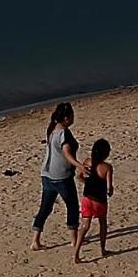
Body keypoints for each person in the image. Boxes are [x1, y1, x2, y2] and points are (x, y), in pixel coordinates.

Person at [30, 102, 79, 250]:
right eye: (71, 116)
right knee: (72, 206)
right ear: (66, 117)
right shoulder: (64, 132)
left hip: (47, 173)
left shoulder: (52, 129)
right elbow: (67, 154)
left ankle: (35, 240)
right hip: (61, 175)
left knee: (45, 207)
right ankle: (74, 240)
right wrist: (80, 165)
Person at [72, 137, 113, 261]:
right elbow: (109, 187)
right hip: (99, 200)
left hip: (87, 198)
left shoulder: (87, 162)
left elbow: (79, 176)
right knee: (102, 224)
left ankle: (76, 253)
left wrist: (87, 182)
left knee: (84, 226)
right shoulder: (107, 167)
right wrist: (109, 192)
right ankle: (103, 249)